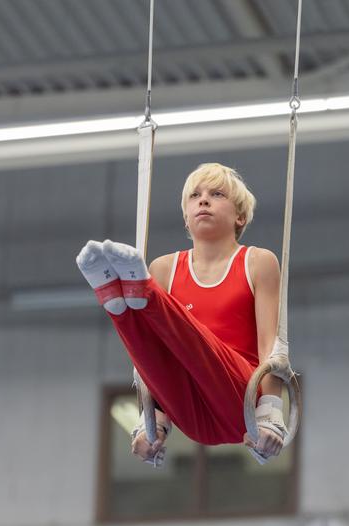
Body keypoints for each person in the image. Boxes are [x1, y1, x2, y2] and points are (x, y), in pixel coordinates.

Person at [76, 162, 287, 466]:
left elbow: (272, 347)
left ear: (240, 216)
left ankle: (139, 295)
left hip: (240, 398)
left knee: (189, 335)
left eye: (217, 194)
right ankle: (116, 303)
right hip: (189, 414)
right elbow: (153, 362)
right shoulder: (164, 268)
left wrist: (270, 415)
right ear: (186, 218)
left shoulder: (258, 262)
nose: (203, 200)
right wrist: (150, 423)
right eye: (195, 196)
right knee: (151, 342)